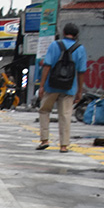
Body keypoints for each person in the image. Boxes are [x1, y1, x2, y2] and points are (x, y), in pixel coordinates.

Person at [37, 22, 87, 152]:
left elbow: (47, 66)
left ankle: (44, 140)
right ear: (76, 35)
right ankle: (64, 145)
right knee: (65, 115)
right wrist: (79, 91)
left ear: (64, 33)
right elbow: (81, 72)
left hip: (51, 86)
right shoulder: (80, 48)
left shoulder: (54, 45)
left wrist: (42, 86)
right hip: (69, 87)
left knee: (44, 111)